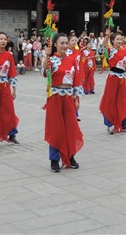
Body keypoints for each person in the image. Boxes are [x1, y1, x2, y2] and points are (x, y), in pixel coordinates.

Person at [42, 33, 84, 172]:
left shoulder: (72, 60)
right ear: (55, 44)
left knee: (70, 127)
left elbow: (76, 80)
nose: (65, 46)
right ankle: (54, 159)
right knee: (56, 128)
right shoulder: (52, 60)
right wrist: (47, 56)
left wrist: (76, 99)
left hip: (68, 97)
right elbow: (45, 72)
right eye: (62, 43)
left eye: (66, 43)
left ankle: (70, 156)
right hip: (55, 97)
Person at [99, 28, 126, 134]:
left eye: (120, 39)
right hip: (113, 78)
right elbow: (101, 50)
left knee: (123, 100)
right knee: (110, 100)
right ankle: (110, 124)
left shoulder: (125, 51)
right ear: (113, 40)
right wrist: (106, 36)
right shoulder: (110, 50)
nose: (119, 41)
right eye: (117, 39)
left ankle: (124, 124)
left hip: (122, 79)